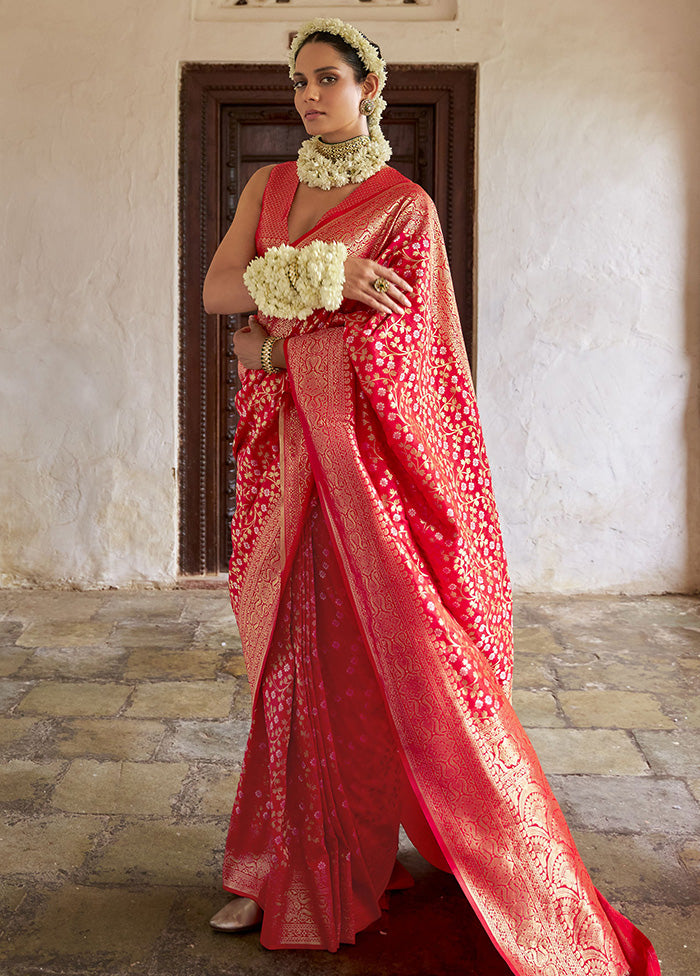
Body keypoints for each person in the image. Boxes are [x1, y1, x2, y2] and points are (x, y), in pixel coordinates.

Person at [202, 17, 661, 975]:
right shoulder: (269, 186)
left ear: (370, 88)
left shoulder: (404, 208)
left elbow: (409, 360)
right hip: (284, 466)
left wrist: (280, 338)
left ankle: (350, 864)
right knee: (288, 664)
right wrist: (325, 276)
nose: (308, 96)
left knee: (361, 665)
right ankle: (279, 868)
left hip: (367, 480)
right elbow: (215, 292)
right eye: (298, 82)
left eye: (328, 79)